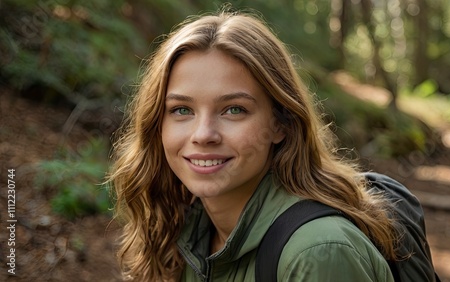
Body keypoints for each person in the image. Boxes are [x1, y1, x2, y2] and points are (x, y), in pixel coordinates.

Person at [108, 9, 398, 281]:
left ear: (280, 124)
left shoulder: (318, 252)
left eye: (234, 109)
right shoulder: (185, 231)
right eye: (182, 110)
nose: (203, 134)